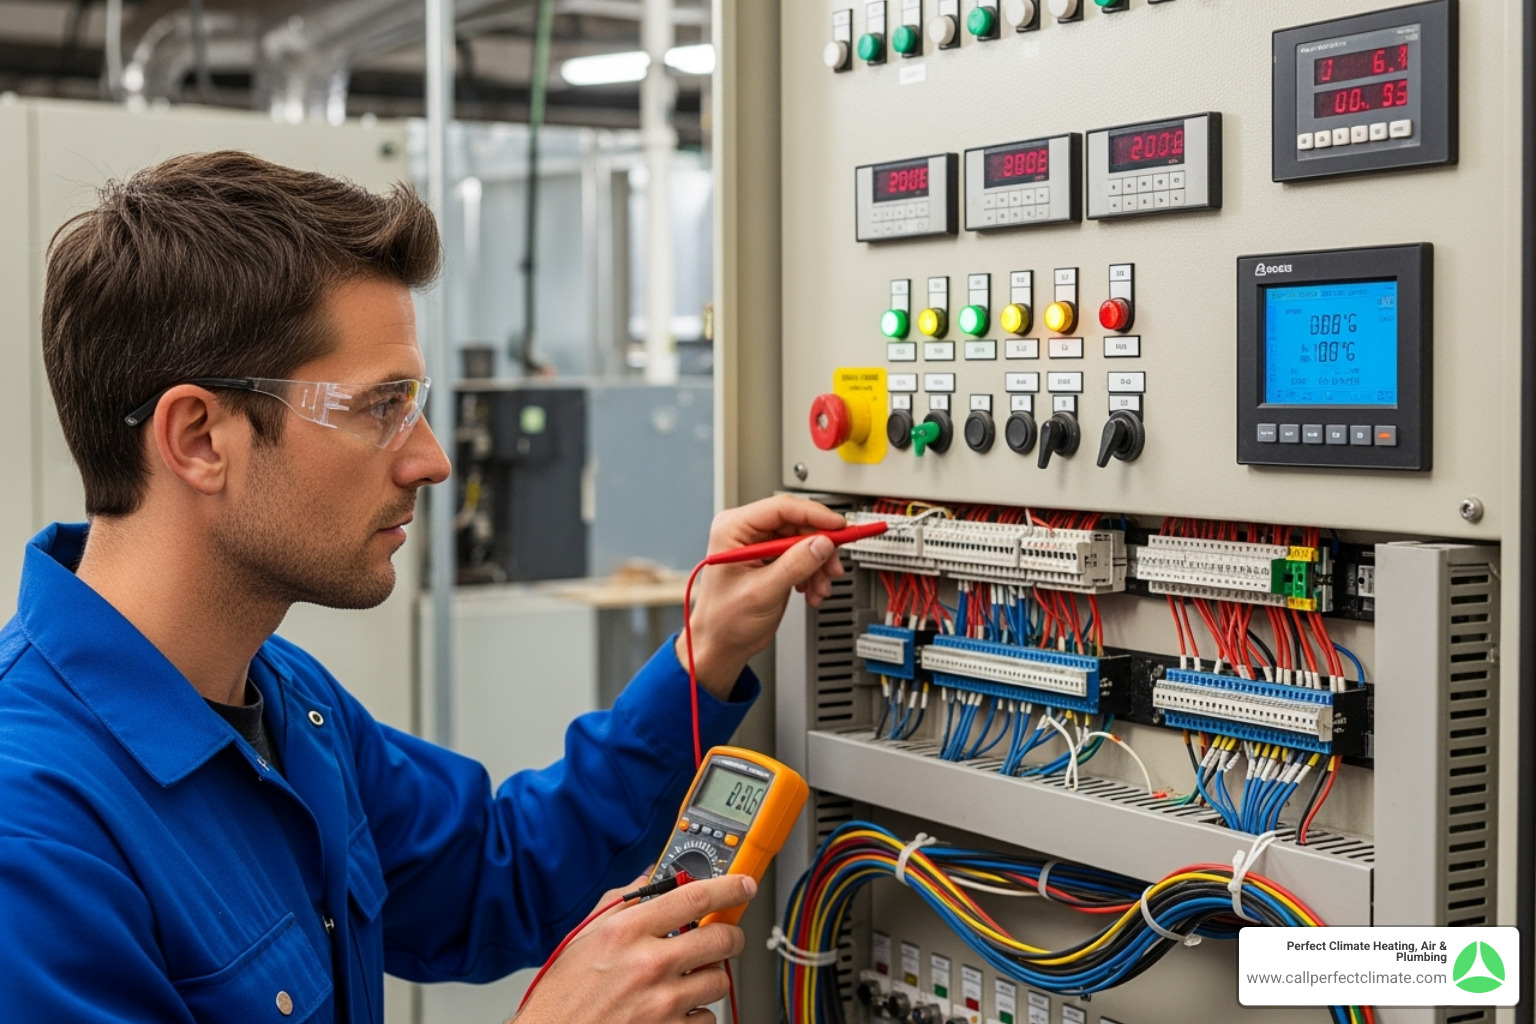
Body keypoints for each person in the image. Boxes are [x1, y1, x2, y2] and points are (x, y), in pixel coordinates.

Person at [0, 151, 847, 1023]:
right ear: (200, 438)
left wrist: (701, 654)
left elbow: (506, 872)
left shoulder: (287, 705)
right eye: (381, 406)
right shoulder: (33, 826)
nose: (431, 458)